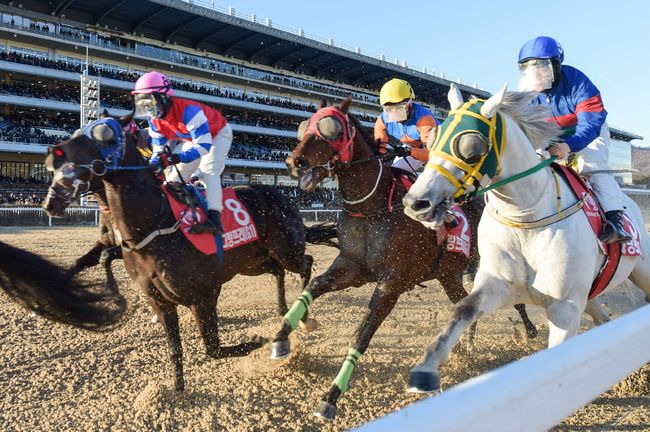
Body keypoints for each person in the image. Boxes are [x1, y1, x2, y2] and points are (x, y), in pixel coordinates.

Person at [518, 36, 631, 244]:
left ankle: (615, 221)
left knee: (592, 165)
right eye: (530, 69)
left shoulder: (578, 81)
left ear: (556, 64)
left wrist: (567, 146)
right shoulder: (526, 94)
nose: (536, 75)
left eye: (541, 68)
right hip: (551, 134)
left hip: (588, 130)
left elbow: (590, 125)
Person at [132, 71, 232, 235]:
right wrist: (155, 163)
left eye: (150, 101)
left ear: (164, 97)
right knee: (173, 179)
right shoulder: (154, 120)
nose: (147, 108)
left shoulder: (190, 112)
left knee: (209, 172)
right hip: (193, 140)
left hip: (218, 134)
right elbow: (158, 149)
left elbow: (204, 147)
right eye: (143, 103)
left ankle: (215, 220)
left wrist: (176, 157)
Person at [374, 78, 438, 174]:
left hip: (438, 148)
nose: (394, 112)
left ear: (410, 103)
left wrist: (409, 152)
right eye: (389, 108)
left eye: (399, 107)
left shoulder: (424, 119)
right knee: (395, 171)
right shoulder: (382, 120)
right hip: (412, 146)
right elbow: (379, 147)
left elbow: (432, 154)